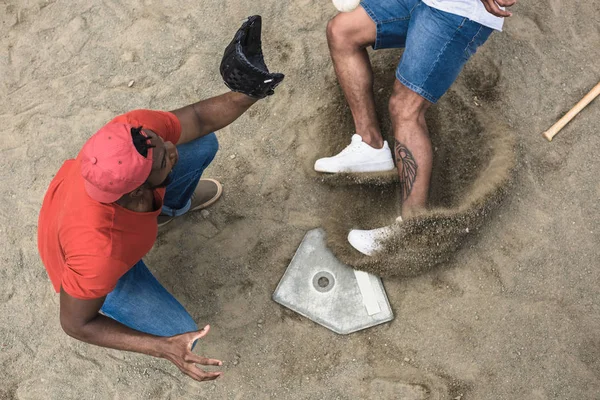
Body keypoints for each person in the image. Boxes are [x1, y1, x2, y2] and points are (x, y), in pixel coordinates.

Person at [37, 16, 283, 382]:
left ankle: (168, 208)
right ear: (137, 190)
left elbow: (198, 118)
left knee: (199, 144)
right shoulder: (99, 255)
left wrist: (248, 91)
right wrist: (161, 347)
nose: (168, 147)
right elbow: (76, 324)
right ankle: (137, 276)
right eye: (161, 161)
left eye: (158, 142)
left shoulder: (130, 135)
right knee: (178, 330)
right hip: (103, 266)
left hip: (114, 216)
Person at [314, 0, 516, 255]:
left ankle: (411, 227)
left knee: (406, 108)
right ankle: (370, 145)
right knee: (342, 32)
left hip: (455, 12)